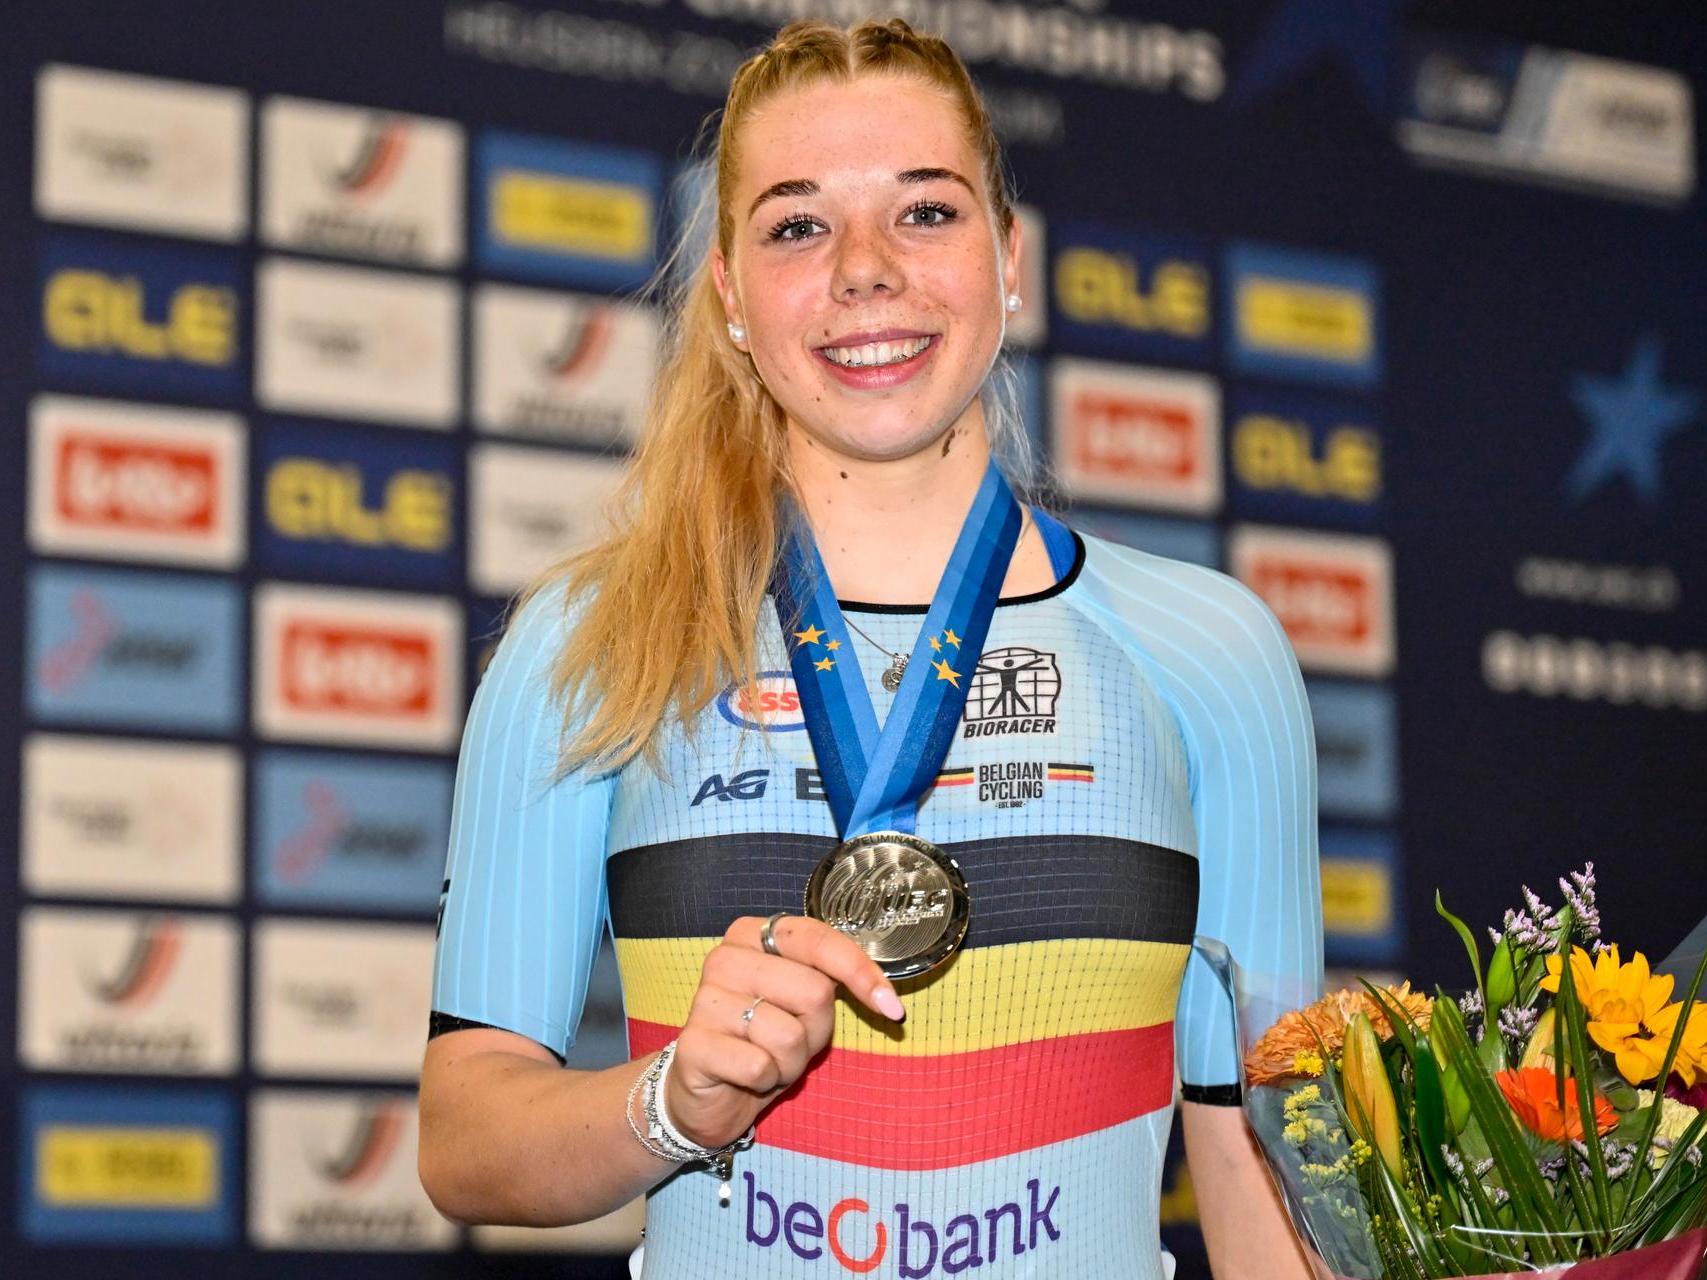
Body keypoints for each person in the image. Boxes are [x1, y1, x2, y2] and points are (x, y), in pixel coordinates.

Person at [419, 18, 1321, 1279]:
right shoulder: (588, 642)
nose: (864, 269)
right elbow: (466, 1137)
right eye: (796, 224)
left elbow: (1253, 1169)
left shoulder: (1209, 651)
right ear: (730, 291)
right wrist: (671, 1100)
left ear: (1011, 260)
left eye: (926, 213)